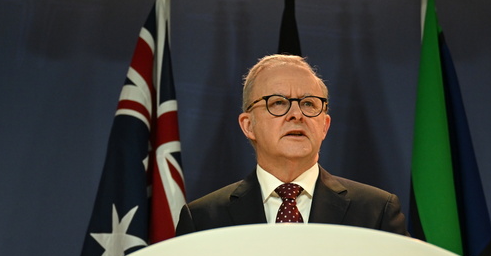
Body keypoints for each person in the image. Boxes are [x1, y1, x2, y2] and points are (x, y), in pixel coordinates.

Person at [174, 54, 408, 236]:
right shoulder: (203, 219)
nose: (296, 114)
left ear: (324, 125)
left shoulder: (376, 212)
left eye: (308, 103)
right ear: (248, 125)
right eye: (277, 102)